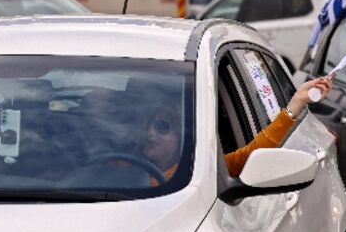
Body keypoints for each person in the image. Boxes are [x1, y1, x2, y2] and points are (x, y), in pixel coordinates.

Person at [139, 77, 333, 182]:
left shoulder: (202, 173)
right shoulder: (113, 170)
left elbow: (255, 154)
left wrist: (297, 101)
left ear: (183, 137)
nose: (149, 133)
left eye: (162, 126)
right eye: (142, 122)